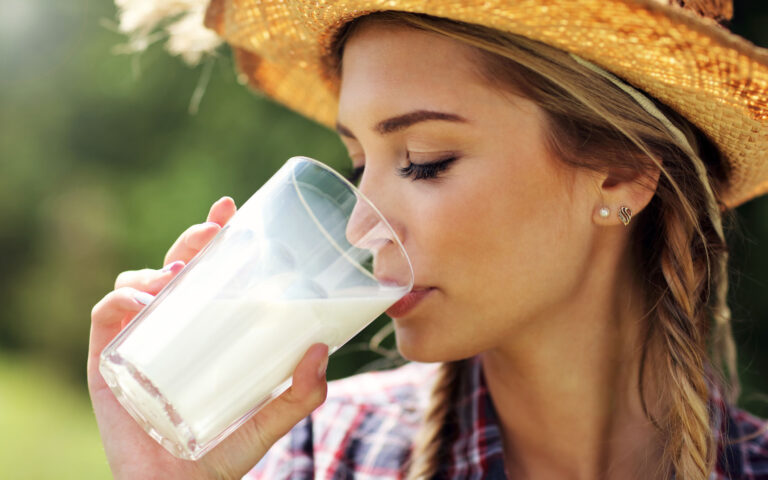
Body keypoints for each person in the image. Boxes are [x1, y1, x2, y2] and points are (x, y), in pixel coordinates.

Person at [89, 0, 768, 478]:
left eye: (422, 160)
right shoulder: (323, 457)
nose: (360, 224)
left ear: (620, 172)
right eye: (359, 164)